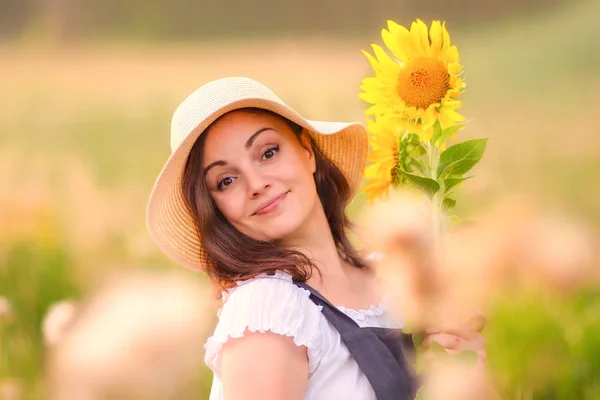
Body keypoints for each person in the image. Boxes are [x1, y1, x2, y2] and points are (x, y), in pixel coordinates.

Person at [146, 77, 485, 399]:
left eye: (267, 153)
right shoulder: (268, 311)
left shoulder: (397, 276)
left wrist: (469, 366)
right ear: (216, 209)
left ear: (307, 151)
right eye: (226, 181)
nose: (256, 184)